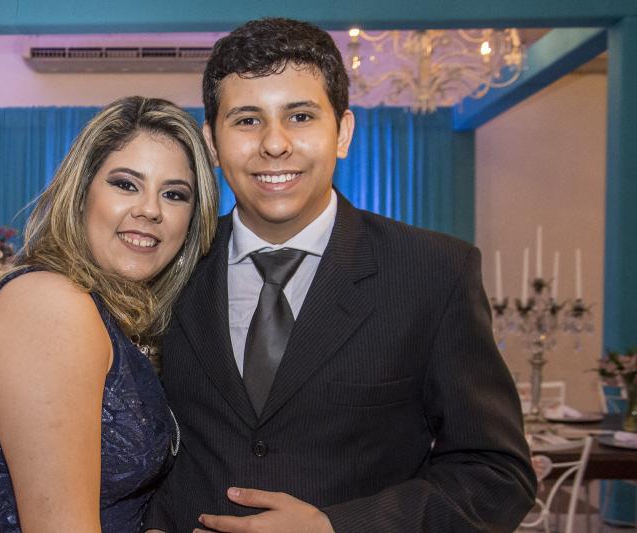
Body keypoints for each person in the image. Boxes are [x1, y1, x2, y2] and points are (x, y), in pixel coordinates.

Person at [145, 18, 536, 533]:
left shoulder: (434, 272)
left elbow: (496, 476)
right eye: (247, 120)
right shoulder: (166, 267)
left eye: (300, 116)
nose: (274, 144)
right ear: (212, 143)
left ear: (343, 132)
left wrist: (337, 527)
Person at [0, 96, 219, 532]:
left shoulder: (108, 311)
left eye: (174, 194)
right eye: (126, 184)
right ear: (82, 193)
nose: (150, 210)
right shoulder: (51, 304)